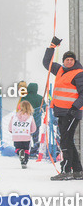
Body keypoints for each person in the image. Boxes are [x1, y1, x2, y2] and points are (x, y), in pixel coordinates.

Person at [42, 38, 83, 179]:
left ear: (74, 61)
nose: (69, 61)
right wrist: (51, 47)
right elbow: (46, 63)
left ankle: (66, 171)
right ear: (64, 61)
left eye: (71, 60)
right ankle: (78, 171)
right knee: (68, 140)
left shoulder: (78, 73)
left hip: (71, 112)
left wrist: (74, 107)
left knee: (65, 140)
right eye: (67, 59)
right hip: (61, 111)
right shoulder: (59, 69)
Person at [8, 99, 37, 169]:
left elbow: (10, 128)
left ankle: (19, 152)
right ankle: (24, 162)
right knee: (26, 150)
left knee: (17, 148)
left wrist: (12, 131)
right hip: (26, 137)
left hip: (16, 136)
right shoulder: (30, 117)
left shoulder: (14, 117)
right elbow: (33, 128)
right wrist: (30, 132)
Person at [23, 82, 45, 156]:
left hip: (25, 121)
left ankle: (25, 150)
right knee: (35, 137)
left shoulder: (24, 98)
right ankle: (35, 150)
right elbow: (44, 108)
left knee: (26, 136)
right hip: (36, 121)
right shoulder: (40, 98)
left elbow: (20, 108)